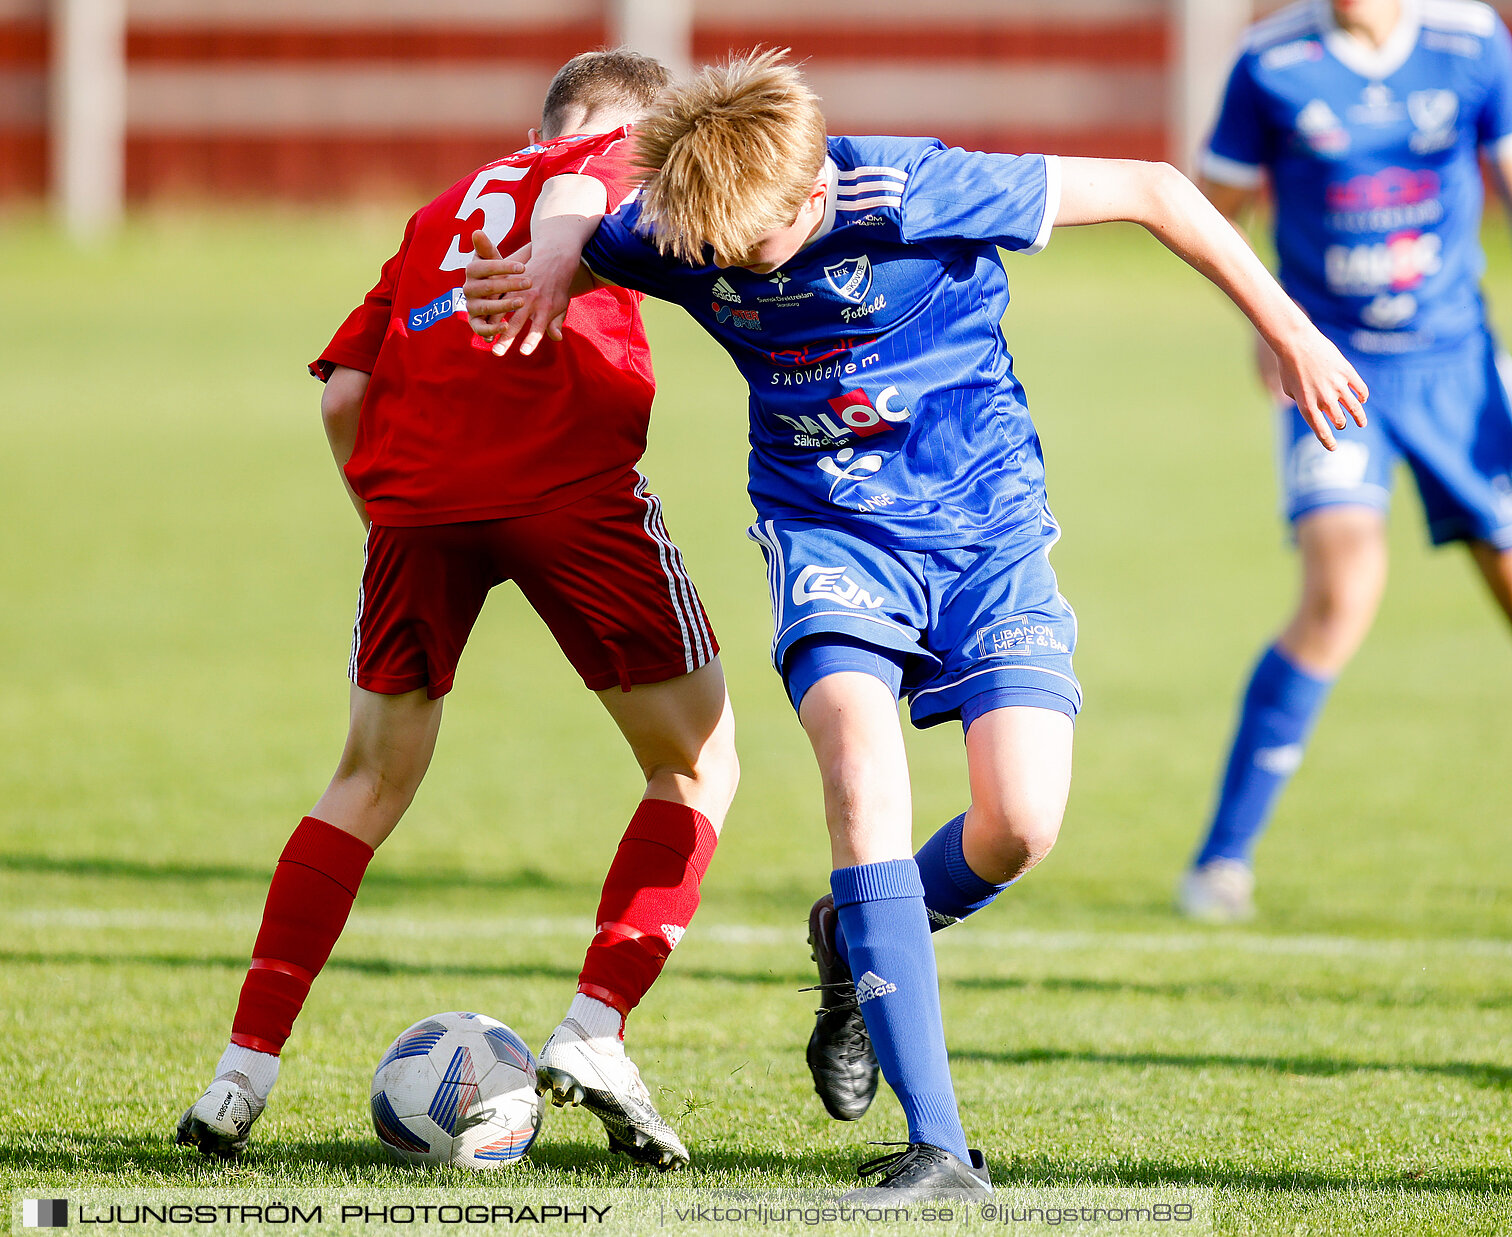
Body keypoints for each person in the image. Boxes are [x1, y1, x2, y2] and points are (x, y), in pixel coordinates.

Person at [464, 49, 1364, 1196]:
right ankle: (940, 1146)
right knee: (856, 770)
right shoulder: (696, 222)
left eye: (757, 248)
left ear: (810, 192)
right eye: (717, 259)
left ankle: (852, 941)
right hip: (827, 534)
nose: (737, 270)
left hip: (986, 528)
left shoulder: (916, 189)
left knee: (1021, 824)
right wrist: (552, 256)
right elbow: (584, 190)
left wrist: (1289, 330)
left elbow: (1155, 188)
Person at [174, 50, 738, 1172]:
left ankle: (241, 1074)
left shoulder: (438, 212)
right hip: (571, 487)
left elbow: (344, 395)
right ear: (634, 120)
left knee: (365, 781)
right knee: (698, 764)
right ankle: (593, 1029)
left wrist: (389, 515)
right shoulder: (622, 157)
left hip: (417, 500)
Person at [1180, 0, 1512, 923]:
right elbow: (1211, 210)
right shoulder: (1272, 60)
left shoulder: (1473, 42)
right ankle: (1221, 861)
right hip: (1335, 377)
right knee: (1340, 596)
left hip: (1459, 370)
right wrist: (1271, 320)